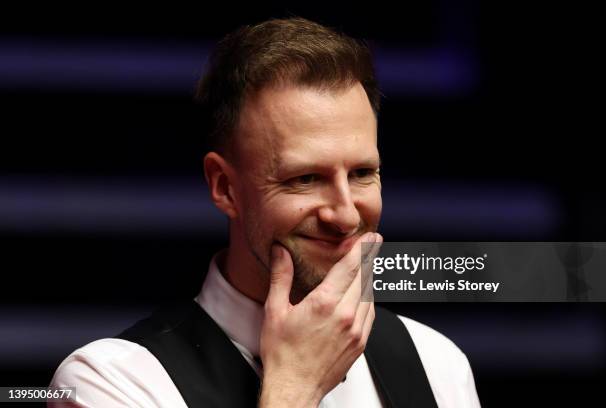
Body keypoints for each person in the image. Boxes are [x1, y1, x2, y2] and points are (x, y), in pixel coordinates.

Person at [49, 17, 480, 408]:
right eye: (305, 178)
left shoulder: (436, 363)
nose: (346, 216)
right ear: (224, 187)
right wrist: (294, 387)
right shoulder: (109, 382)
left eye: (363, 173)